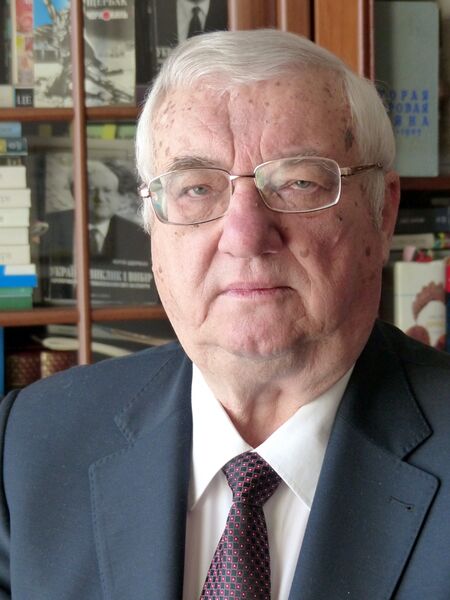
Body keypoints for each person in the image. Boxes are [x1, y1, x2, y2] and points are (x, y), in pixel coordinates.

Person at [0, 29, 449, 600]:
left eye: (299, 182)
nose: (245, 236)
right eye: (196, 189)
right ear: (151, 224)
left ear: (382, 213)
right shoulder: (30, 445)